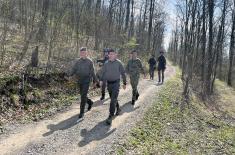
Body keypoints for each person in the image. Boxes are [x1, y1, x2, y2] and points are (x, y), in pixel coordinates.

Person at [69, 47, 98, 122]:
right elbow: (74, 69)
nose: (83, 54)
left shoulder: (90, 61)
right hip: (80, 80)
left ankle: (81, 113)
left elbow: (93, 72)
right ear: (80, 53)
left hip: (87, 81)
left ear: (86, 53)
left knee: (83, 97)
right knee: (83, 95)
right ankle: (90, 102)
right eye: (81, 53)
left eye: (84, 53)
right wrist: (70, 75)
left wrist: (95, 81)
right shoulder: (78, 61)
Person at [100, 49, 127, 125]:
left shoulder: (119, 63)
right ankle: (118, 109)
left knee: (112, 100)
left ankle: (110, 116)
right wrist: (101, 80)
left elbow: (123, 73)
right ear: (108, 55)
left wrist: (124, 83)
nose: (111, 55)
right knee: (113, 98)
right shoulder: (106, 63)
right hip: (109, 83)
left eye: (113, 54)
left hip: (116, 83)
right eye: (110, 54)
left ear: (115, 55)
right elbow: (103, 72)